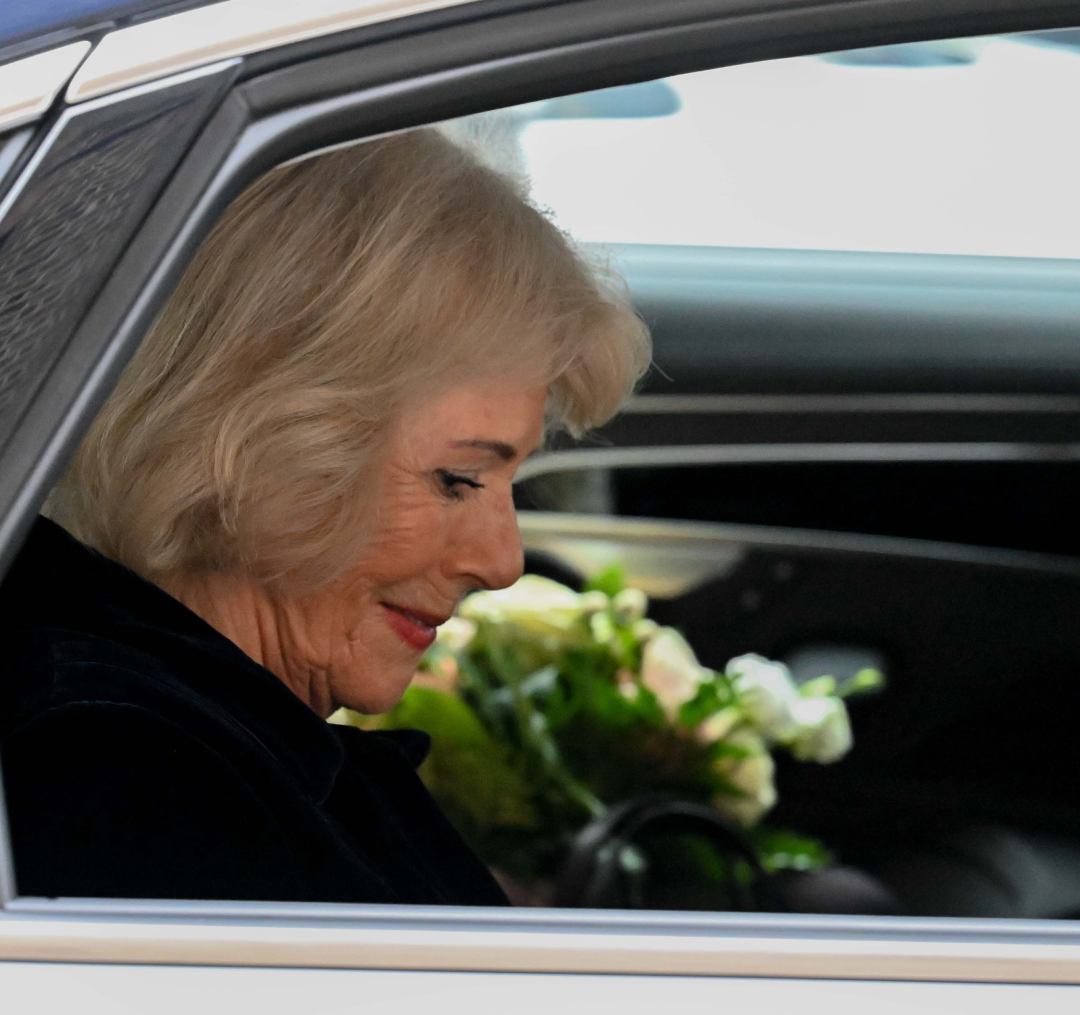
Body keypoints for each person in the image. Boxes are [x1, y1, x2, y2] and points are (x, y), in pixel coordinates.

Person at [0, 128, 650, 904]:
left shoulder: (208, 745)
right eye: (458, 479)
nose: (503, 561)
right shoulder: (126, 779)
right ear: (261, 443)